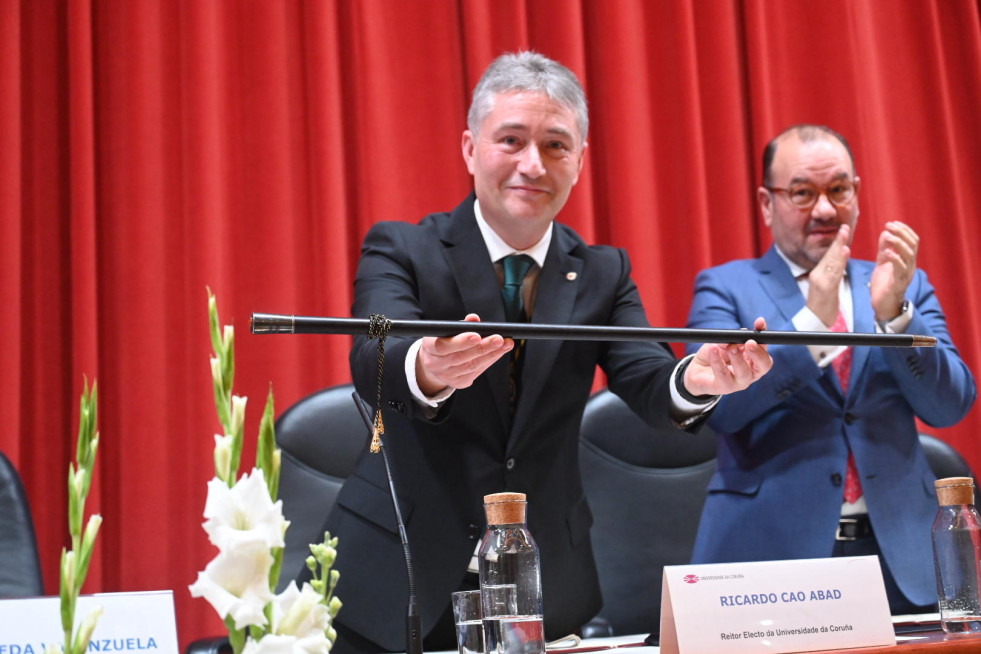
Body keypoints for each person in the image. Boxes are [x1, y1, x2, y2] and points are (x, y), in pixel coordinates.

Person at [319, 51, 772, 654]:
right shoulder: (403, 247)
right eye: (511, 139)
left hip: (543, 583)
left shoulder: (602, 272)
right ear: (469, 148)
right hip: (395, 577)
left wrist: (700, 378)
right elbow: (372, 357)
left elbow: (649, 380)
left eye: (556, 146)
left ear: (580, 162)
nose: (533, 164)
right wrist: (424, 365)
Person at [685, 124, 976, 614]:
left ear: (857, 194)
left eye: (838, 190)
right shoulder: (725, 288)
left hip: (903, 558)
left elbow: (950, 406)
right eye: (802, 193)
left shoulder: (902, 284)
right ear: (766, 203)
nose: (823, 209)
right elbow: (719, 413)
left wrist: (894, 314)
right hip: (771, 559)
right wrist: (811, 327)